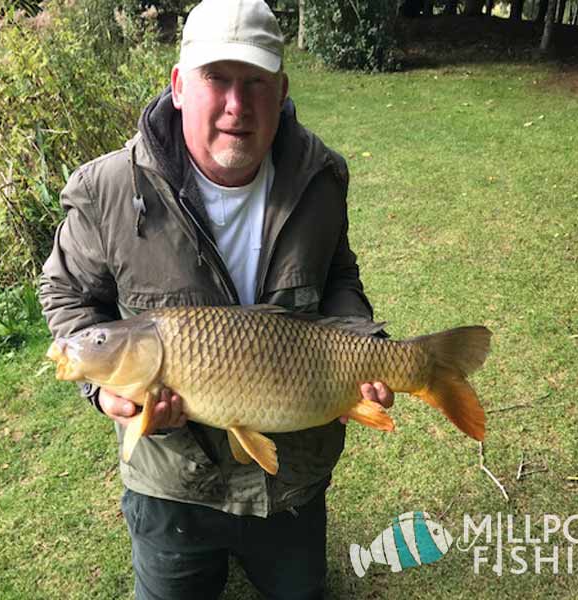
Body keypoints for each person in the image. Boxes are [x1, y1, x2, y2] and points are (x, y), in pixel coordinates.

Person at [39, 0, 394, 598]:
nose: (237, 105)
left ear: (281, 90)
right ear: (179, 85)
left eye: (256, 82)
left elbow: (338, 273)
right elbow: (66, 292)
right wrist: (103, 392)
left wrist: (365, 344)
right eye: (216, 79)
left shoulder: (322, 176)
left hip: (292, 476)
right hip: (170, 484)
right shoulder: (106, 188)